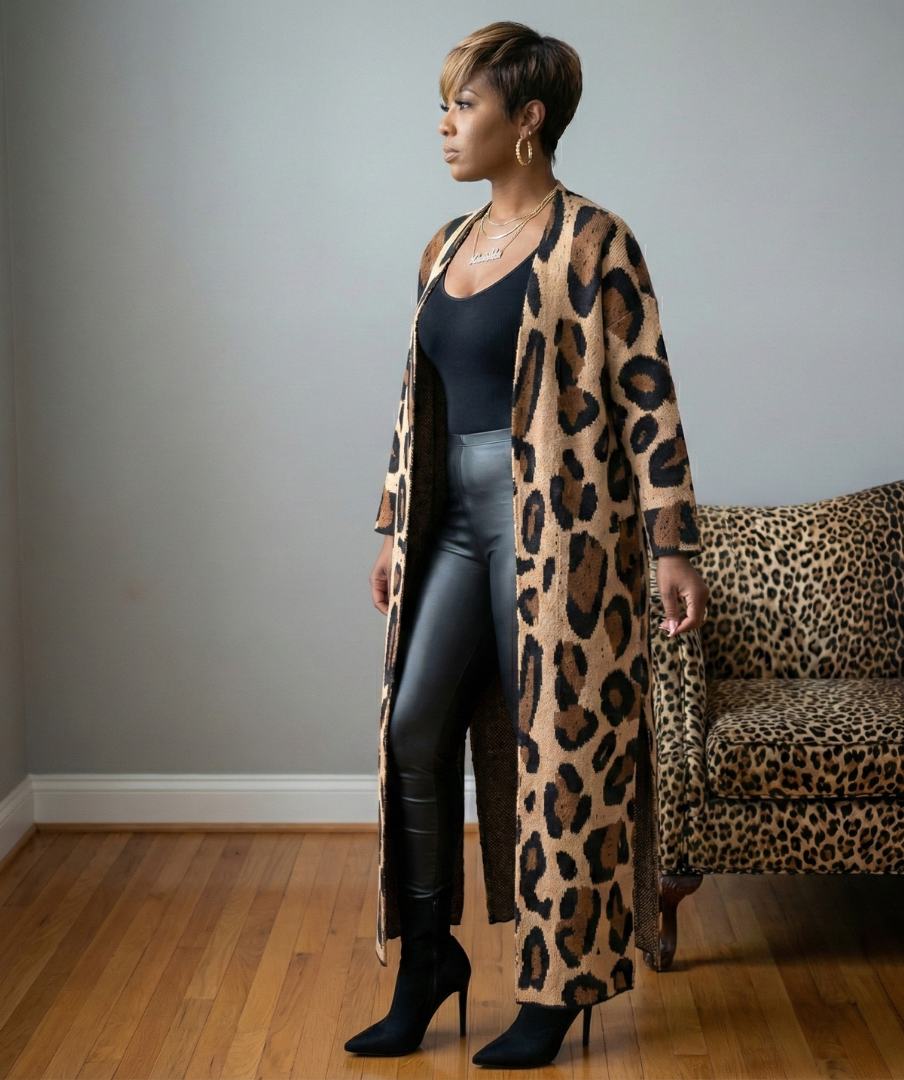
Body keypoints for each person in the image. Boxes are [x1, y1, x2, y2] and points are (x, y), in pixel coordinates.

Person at [345, 21, 710, 1070]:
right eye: (448, 103)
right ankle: (428, 960)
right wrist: (388, 522)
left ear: (527, 121)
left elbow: (650, 398)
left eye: (465, 104)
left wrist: (671, 543)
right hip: (449, 527)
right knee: (412, 730)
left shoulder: (596, 241)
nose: (447, 123)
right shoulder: (444, 247)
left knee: (561, 757)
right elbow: (414, 399)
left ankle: (560, 984)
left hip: (562, 533)